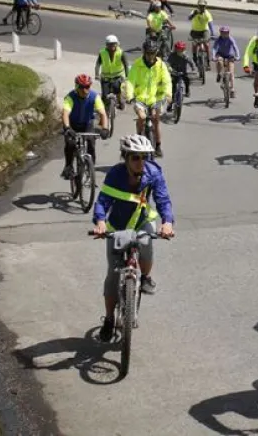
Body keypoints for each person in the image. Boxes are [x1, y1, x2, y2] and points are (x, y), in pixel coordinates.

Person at [91, 134, 175, 343]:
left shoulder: (153, 173)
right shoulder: (115, 175)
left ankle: (145, 278)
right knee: (112, 274)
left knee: (146, 245)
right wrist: (100, 221)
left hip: (141, 221)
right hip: (117, 225)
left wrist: (167, 223)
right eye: (135, 158)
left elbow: (163, 200)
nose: (140, 162)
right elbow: (102, 201)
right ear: (126, 158)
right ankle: (109, 320)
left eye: (144, 157)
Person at [125, 39, 172, 157]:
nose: (151, 55)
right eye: (148, 53)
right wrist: (130, 96)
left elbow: (167, 81)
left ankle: (158, 145)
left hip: (156, 98)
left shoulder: (161, 65)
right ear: (144, 52)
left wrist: (168, 94)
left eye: (153, 53)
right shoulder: (137, 64)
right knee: (141, 117)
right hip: (140, 98)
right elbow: (130, 81)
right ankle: (139, 135)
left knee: (156, 120)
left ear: (156, 52)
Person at [61, 74, 110, 180]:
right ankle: (68, 166)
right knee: (70, 143)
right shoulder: (70, 97)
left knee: (91, 142)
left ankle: (91, 168)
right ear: (77, 87)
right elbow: (65, 114)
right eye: (82, 87)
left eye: (87, 87)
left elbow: (103, 114)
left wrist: (105, 128)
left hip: (87, 123)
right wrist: (67, 128)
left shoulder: (94, 97)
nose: (85, 90)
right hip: (72, 124)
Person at [94, 35, 129, 110]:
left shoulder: (121, 53)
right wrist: (97, 74)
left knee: (118, 89)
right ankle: (104, 111)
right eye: (110, 44)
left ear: (117, 44)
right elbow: (98, 64)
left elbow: (126, 64)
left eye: (114, 44)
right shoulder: (102, 53)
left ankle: (120, 101)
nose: (112, 46)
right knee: (104, 96)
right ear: (106, 45)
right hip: (105, 77)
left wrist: (127, 76)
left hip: (118, 76)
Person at [165, 41, 197, 109]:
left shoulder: (185, 56)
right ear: (175, 49)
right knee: (172, 89)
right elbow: (167, 63)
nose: (179, 51)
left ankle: (187, 90)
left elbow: (191, 62)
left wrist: (193, 69)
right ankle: (170, 104)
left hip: (183, 72)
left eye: (181, 49)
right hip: (174, 73)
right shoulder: (172, 55)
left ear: (183, 49)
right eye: (178, 49)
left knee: (187, 79)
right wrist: (169, 68)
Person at [212, 26, 239, 96]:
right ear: (220, 33)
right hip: (220, 54)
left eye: (226, 33)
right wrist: (213, 56)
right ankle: (219, 73)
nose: (224, 34)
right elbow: (214, 48)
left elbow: (235, 47)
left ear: (228, 33)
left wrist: (237, 56)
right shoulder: (218, 39)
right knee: (219, 61)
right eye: (223, 33)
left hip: (230, 55)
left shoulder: (230, 39)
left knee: (231, 72)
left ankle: (232, 89)